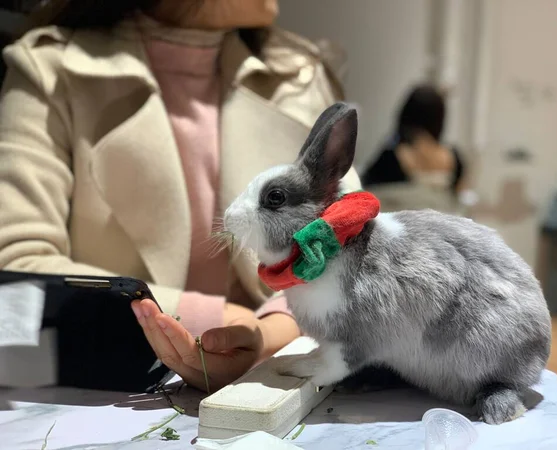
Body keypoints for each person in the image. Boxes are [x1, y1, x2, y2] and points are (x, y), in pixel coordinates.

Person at [0, 0, 361, 391]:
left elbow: (348, 240)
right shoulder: (49, 70)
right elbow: (17, 264)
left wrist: (273, 331)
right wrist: (210, 317)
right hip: (106, 387)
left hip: (280, 386)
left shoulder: (301, 72)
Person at [361, 84, 471, 215]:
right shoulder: (454, 157)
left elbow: (365, 189)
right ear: (440, 118)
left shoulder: (392, 156)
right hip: (443, 230)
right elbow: (459, 197)